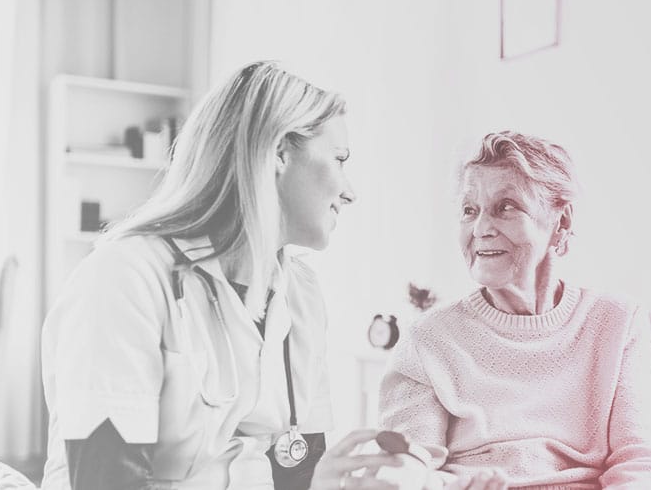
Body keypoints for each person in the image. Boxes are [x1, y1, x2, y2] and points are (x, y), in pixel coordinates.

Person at [40, 61, 405, 490]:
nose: (350, 190)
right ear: (278, 153)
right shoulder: (124, 277)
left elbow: (298, 474)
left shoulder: (300, 294)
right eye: (339, 159)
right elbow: (105, 483)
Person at [379, 131, 651, 489]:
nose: (482, 228)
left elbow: (640, 462)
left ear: (561, 223)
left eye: (506, 207)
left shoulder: (618, 323)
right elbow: (407, 469)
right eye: (469, 210)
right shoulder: (427, 339)